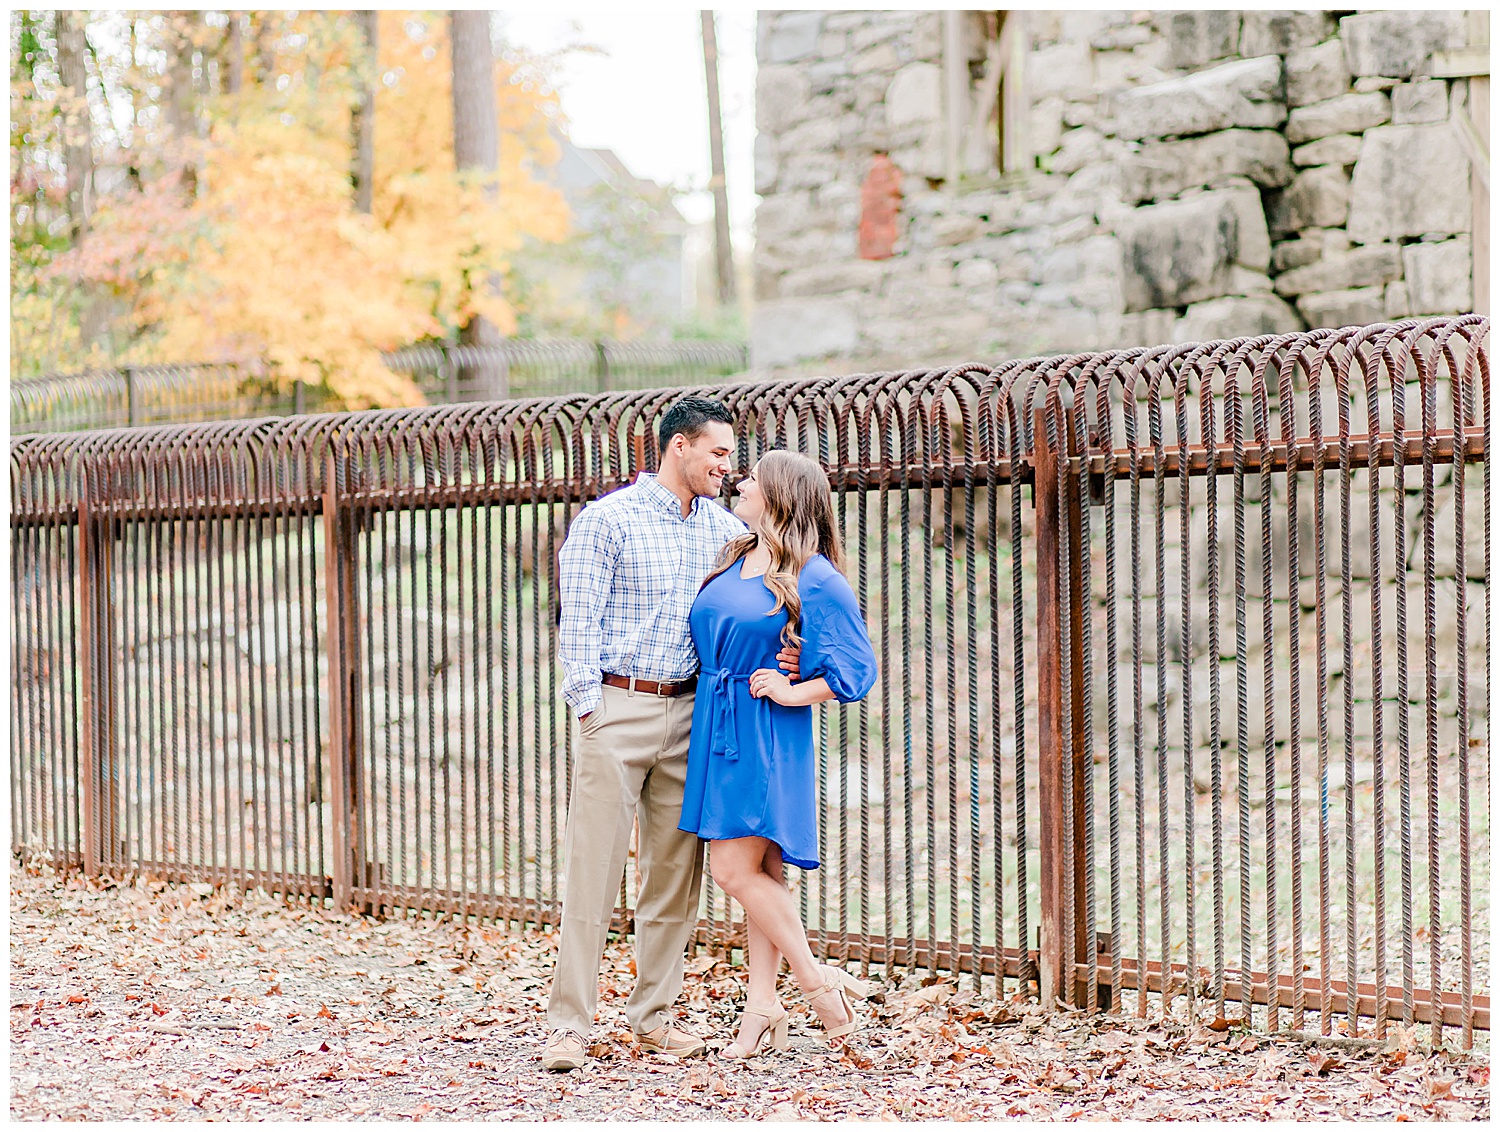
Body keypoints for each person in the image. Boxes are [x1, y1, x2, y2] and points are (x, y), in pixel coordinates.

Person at [543, 397, 798, 1072]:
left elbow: (760, 603)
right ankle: (569, 1024)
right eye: (717, 453)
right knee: (593, 873)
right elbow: (579, 622)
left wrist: (794, 655)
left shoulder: (723, 530)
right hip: (617, 710)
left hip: (693, 718)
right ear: (677, 447)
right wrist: (588, 707)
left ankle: (652, 1018)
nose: (727, 466)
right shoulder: (608, 521)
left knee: (673, 881)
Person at [678, 449, 879, 1057]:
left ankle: (819, 988)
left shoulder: (816, 576)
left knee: (732, 871)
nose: (739, 482)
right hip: (720, 720)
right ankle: (762, 1007)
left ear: (780, 497)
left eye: (752, 480)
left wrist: (794, 692)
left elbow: (856, 669)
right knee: (761, 873)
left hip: (765, 732)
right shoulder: (737, 555)